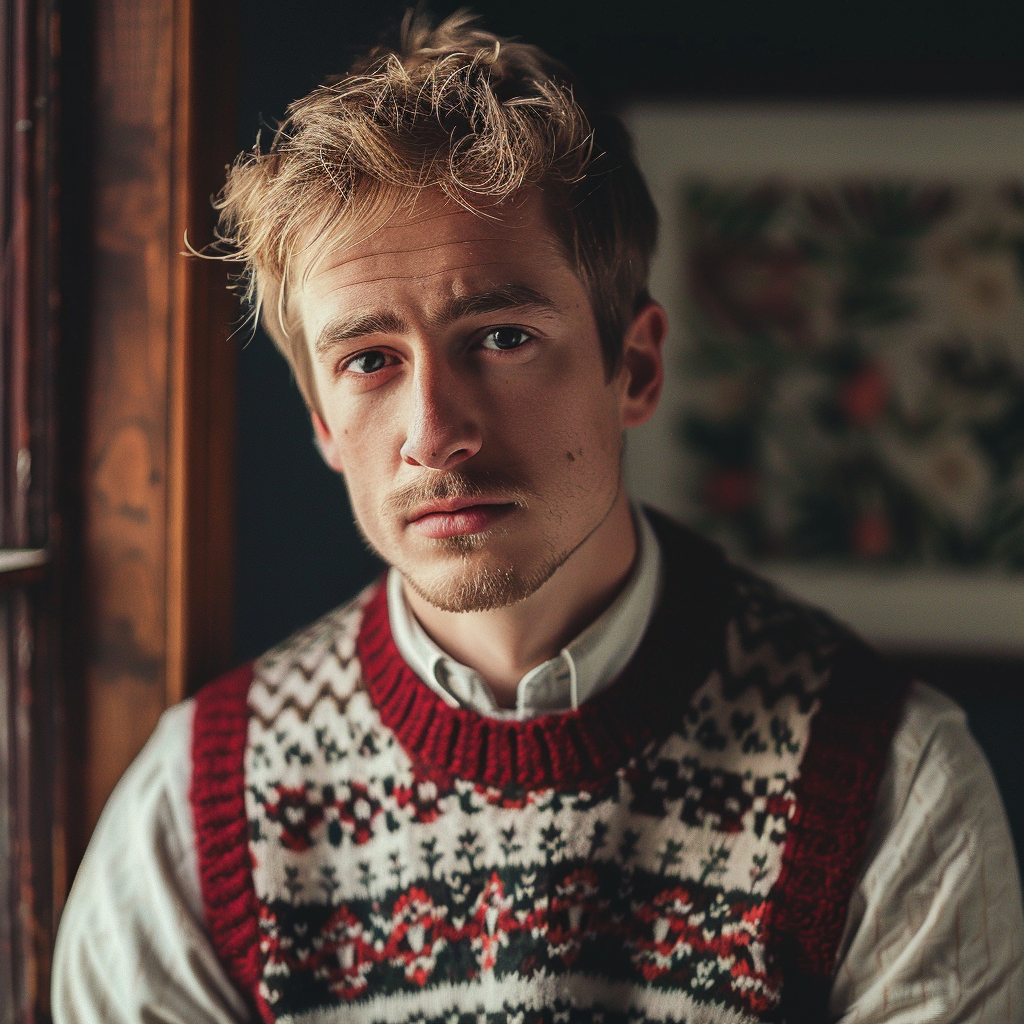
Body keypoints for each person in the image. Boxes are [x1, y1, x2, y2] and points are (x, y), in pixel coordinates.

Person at [53, 10, 1023, 1024]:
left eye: (501, 335)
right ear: (322, 425)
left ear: (634, 366)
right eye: (369, 361)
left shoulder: (887, 784)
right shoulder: (198, 813)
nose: (432, 432)